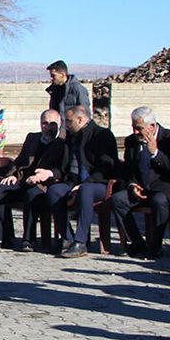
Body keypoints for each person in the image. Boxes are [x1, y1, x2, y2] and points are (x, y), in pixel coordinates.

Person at [0, 109, 68, 252]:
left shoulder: (63, 142)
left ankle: (28, 240)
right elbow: (19, 161)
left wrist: (48, 174)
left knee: (32, 195)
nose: (48, 127)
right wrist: (12, 175)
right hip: (24, 179)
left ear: (59, 124)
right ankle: (0, 237)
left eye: (52, 124)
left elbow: (64, 168)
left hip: (45, 184)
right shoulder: (32, 138)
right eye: (44, 123)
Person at [109, 107, 170, 259]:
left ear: (152, 126)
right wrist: (131, 185)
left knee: (159, 201)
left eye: (139, 128)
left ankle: (155, 246)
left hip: (161, 188)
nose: (136, 132)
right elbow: (128, 169)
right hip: (140, 188)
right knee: (118, 199)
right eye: (133, 127)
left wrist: (155, 153)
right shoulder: (131, 141)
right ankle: (138, 243)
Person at [47, 105, 119, 258]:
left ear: (80, 120)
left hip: (99, 183)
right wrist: (51, 173)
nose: (66, 125)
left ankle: (80, 242)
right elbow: (64, 167)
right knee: (54, 191)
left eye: (69, 121)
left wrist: (86, 183)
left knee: (85, 190)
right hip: (73, 182)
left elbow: (107, 167)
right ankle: (67, 237)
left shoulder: (102, 135)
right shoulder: (70, 138)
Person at [45, 60, 91, 126]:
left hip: (73, 130)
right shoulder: (54, 91)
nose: (51, 79)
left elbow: (85, 114)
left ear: (62, 75)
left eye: (53, 76)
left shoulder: (77, 90)